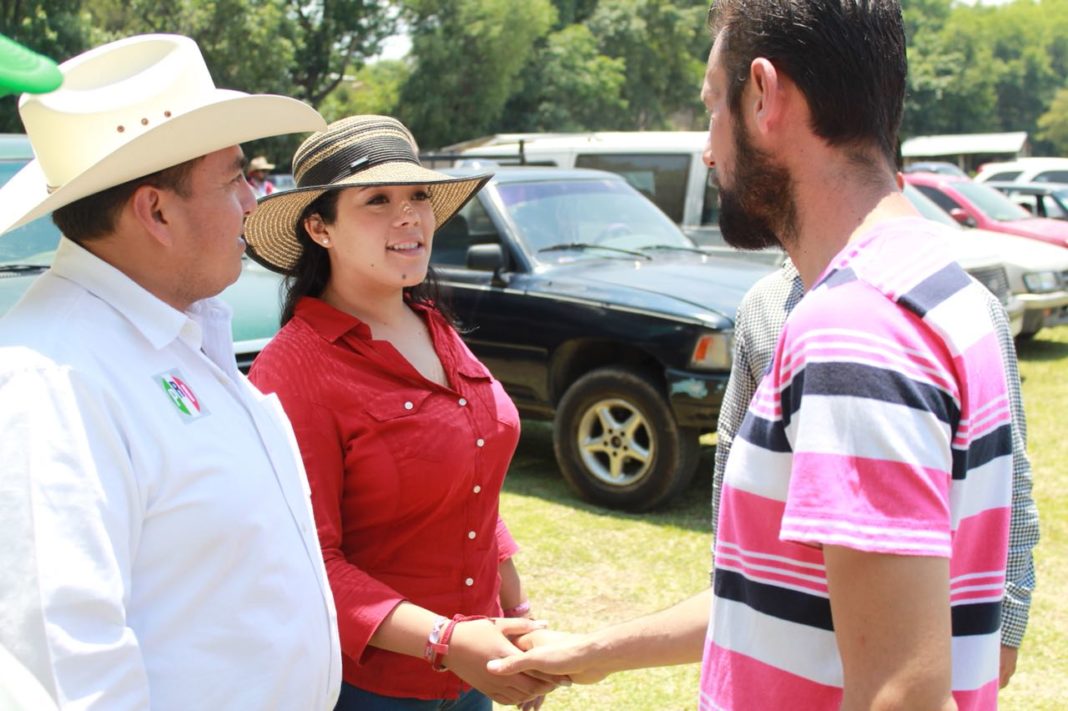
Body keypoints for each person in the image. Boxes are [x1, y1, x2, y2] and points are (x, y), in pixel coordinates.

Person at [487, 2, 1014, 709]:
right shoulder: (945, 293)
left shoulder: (852, 329)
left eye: (712, 107)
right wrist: (591, 652)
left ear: (762, 95)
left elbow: (902, 692)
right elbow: (786, 596)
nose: (708, 148)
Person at [0, 34, 343, 708]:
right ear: (154, 210)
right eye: (235, 178)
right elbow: (69, 672)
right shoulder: (50, 379)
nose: (253, 201)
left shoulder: (171, 330)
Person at [243, 115, 559, 711]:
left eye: (418, 196)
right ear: (320, 228)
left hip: (473, 672)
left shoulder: (434, 324)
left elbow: (473, 489)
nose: (409, 215)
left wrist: (518, 617)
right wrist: (445, 640)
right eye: (377, 200)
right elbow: (307, 562)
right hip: (369, 690)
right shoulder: (294, 369)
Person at [711, 255, 1040, 690]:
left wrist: (1008, 620)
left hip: (920, 621)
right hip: (787, 627)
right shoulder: (765, 304)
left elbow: (1007, 469)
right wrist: (725, 595)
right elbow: (732, 459)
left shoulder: (965, 307)